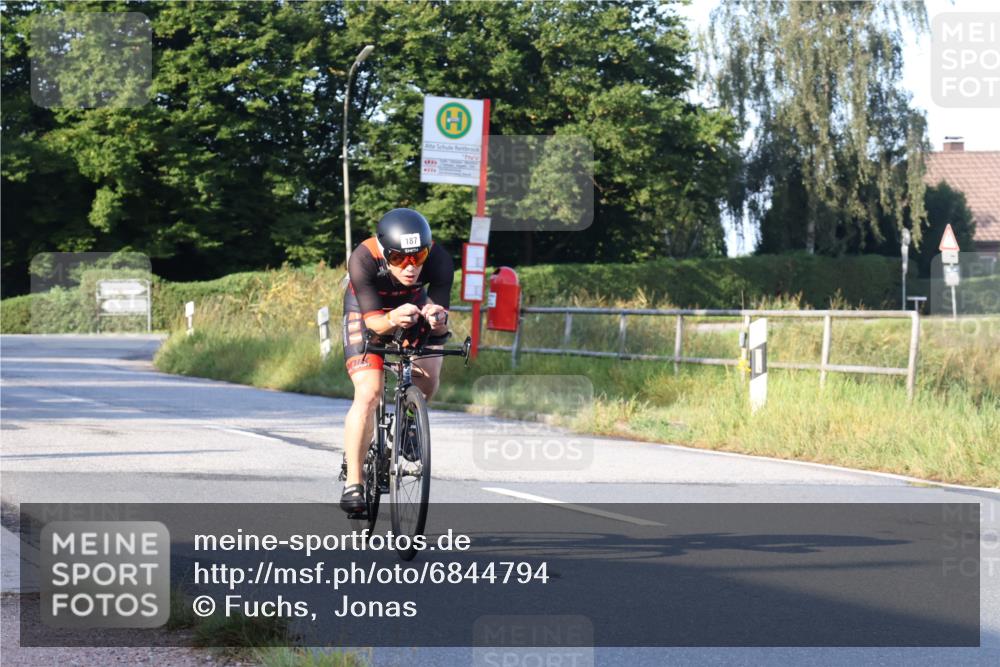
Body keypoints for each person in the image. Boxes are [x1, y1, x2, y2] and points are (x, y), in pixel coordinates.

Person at [339, 208, 453, 514]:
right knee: (369, 392)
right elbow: (375, 324)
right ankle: (354, 481)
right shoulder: (363, 259)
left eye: (418, 257)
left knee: (428, 375)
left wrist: (437, 317)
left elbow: (441, 319)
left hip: (413, 306)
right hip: (368, 313)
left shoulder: (439, 260)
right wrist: (391, 318)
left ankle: (409, 424)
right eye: (400, 258)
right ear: (384, 252)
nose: (411, 266)